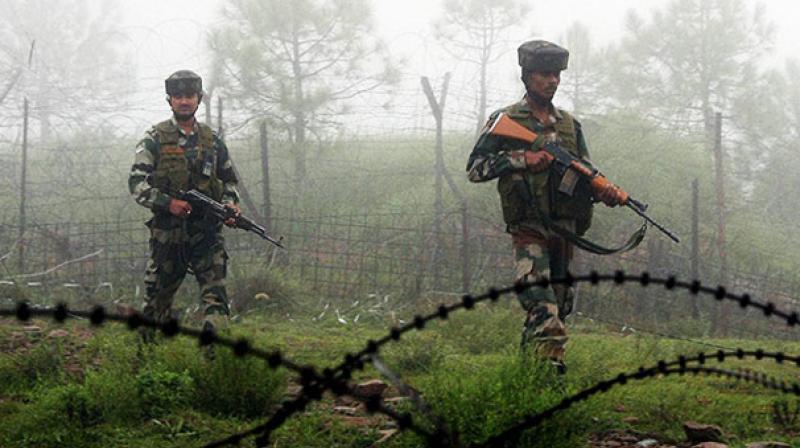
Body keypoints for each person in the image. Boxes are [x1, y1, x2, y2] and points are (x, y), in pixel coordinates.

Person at [466, 40, 623, 372]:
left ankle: (527, 376)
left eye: (556, 75)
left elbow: (584, 173)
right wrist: (522, 158)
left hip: (564, 231)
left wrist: (604, 191)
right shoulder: (506, 119)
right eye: (544, 74)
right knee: (544, 308)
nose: (552, 81)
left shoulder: (569, 126)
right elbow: (475, 168)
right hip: (529, 229)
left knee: (559, 307)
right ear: (527, 77)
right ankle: (550, 382)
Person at [128, 70, 240, 336]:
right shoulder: (153, 139)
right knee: (157, 301)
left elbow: (229, 181)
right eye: (178, 96)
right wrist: (168, 203)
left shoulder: (212, 141)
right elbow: (137, 184)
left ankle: (215, 361)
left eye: (189, 95)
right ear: (170, 100)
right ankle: (148, 364)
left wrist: (230, 206)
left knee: (216, 298)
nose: (184, 101)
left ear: (198, 99)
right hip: (169, 235)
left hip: (207, 233)